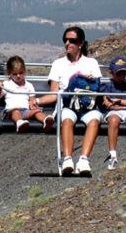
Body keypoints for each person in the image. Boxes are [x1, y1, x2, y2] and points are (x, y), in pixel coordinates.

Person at [34, 26, 102, 175]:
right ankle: (68, 158)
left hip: (87, 104)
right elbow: (54, 93)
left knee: (94, 120)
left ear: (81, 44)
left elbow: (96, 86)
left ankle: (84, 159)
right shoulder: (58, 64)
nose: (68, 43)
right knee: (66, 119)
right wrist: (37, 101)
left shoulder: (91, 63)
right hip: (68, 103)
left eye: (72, 40)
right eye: (65, 40)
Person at [99, 56, 126, 171]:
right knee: (114, 120)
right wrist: (122, 104)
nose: (122, 76)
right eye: (118, 73)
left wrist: (119, 101)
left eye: (123, 73)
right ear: (111, 73)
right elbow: (108, 103)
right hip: (114, 112)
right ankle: (112, 154)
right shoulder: (107, 85)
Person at [0, 56, 54, 133]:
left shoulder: (29, 85)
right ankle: (19, 122)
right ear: (10, 74)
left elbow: (32, 99)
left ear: (24, 71)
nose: (18, 76)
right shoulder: (7, 84)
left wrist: (33, 105)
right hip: (11, 111)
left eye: (20, 73)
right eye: (15, 74)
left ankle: (46, 120)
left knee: (36, 112)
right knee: (16, 112)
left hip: (25, 111)